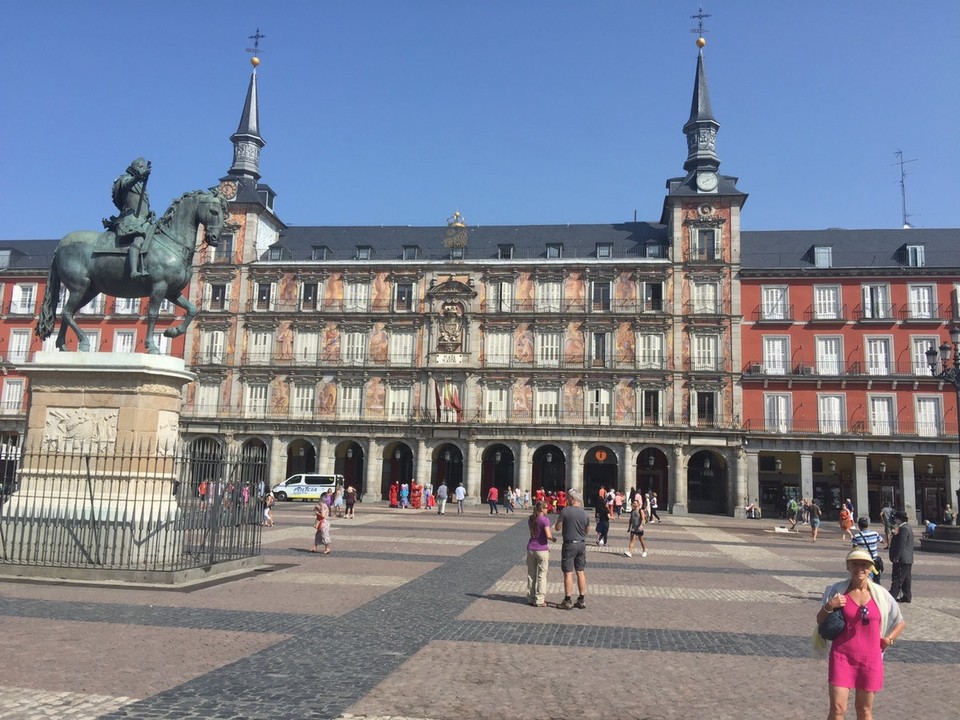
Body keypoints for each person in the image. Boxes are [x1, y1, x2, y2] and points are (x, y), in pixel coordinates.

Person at [815, 548, 905, 720]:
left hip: (870, 659)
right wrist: (830, 605)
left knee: (864, 710)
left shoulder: (881, 595)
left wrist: (889, 639)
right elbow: (820, 620)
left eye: (864, 565)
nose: (859, 568)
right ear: (848, 567)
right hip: (842, 656)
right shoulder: (838, 590)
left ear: (871, 568)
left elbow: (900, 622)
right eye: (855, 564)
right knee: (837, 709)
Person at [103, 157, 155, 279]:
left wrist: (149, 213)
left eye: (144, 168)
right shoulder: (124, 178)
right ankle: (133, 271)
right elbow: (126, 185)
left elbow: (142, 206)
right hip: (130, 218)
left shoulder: (140, 186)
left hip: (143, 219)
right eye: (141, 167)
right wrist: (138, 177)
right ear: (136, 167)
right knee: (138, 239)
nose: (143, 169)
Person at [554, 488, 590, 610]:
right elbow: (587, 531)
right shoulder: (585, 513)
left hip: (569, 545)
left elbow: (557, 528)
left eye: (568, 498)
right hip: (581, 544)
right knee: (580, 571)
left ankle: (568, 600)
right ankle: (581, 599)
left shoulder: (565, 511)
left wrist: (562, 524)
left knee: (568, 572)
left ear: (573, 499)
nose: (567, 500)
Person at [526, 500, 557, 607]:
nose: (547, 509)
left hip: (531, 548)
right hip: (541, 549)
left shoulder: (531, 519)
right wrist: (553, 539)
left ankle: (530, 597)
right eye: (546, 508)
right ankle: (539, 599)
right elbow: (548, 535)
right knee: (542, 575)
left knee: (531, 574)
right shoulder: (545, 520)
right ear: (542, 509)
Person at [888, 510, 914, 603]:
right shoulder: (907, 527)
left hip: (902, 559)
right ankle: (907, 596)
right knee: (906, 579)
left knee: (897, 578)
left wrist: (896, 557)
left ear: (899, 519)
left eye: (896, 518)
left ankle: (892, 596)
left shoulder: (903, 529)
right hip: (907, 559)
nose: (894, 520)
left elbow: (901, 545)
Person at [851, 517, 883, 582]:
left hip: (866, 561)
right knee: (877, 579)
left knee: (868, 580)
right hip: (875, 561)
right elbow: (882, 541)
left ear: (859, 526)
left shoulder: (857, 536)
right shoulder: (875, 533)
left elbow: (854, 548)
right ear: (867, 525)